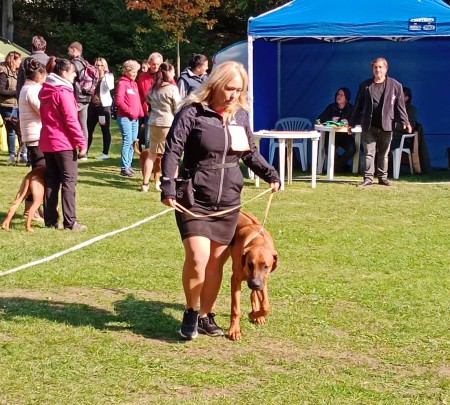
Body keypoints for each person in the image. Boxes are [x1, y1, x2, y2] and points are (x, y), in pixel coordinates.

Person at [160, 61, 281, 340]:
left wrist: (271, 174)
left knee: (215, 263)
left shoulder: (240, 117)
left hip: (228, 201)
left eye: (238, 90)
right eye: (228, 88)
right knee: (198, 256)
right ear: (215, 85)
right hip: (194, 197)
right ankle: (191, 311)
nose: (232, 95)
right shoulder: (193, 112)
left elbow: (249, 153)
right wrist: (167, 185)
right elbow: (172, 149)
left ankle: (205, 315)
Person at [39, 57, 88, 230]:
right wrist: (81, 142)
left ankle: (50, 220)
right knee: (69, 181)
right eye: (73, 72)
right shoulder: (63, 92)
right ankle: (70, 221)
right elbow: (71, 119)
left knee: (52, 180)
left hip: (48, 140)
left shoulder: (46, 89)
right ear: (64, 72)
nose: (75, 75)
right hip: (63, 142)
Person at [349, 57, 411, 187]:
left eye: (380, 67)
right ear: (372, 69)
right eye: (375, 67)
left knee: (384, 154)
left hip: (386, 125)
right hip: (368, 125)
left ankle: (383, 178)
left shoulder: (395, 85)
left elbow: (400, 106)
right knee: (368, 154)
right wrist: (352, 123)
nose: (378, 70)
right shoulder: (365, 85)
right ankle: (368, 179)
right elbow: (358, 105)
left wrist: (405, 121)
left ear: (386, 69)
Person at [141, 62, 180, 192]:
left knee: (151, 154)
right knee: (170, 154)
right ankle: (171, 183)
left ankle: (145, 184)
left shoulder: (153, 88)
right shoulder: (172, 89)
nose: (174, 74)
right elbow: (177, 108)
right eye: (173, 71)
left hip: (153, 122)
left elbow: (148, 102)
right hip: (167, 124)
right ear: (168, 73)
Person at [18, 58, 47, 221]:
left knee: (36, 174)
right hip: (37, 137)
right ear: (40, 75)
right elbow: (44, 110)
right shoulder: (33, 90)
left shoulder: (26, 88)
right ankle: (31, 211)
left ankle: (31, 209)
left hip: (32, 136)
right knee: (39, 176)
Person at [115, 59, 144, 177]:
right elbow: (118, 101)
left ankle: (129, 165)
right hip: (125, 117)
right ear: (126, 71)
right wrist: (130, 111)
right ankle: (124, 167)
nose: (135, 74)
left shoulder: (134, 84)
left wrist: (140, 112)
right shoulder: (122, 83)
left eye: (136, 72)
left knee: (133, 142)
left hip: (135, 118)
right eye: (132, 72)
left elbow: (137, 100)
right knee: (127, 141)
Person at [317, 87, 356, 172]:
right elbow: (319, 119)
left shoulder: (351, 108)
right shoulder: (331, 107)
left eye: (342, 95)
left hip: (344, 135)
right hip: (331, 135)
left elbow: (358, 120)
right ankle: (343, 167)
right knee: (329, 149)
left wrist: (349, 121)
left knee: (352, 148)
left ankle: (334, 167)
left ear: (346, 98)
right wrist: (331, 119)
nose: (339, 96)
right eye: (338, 94)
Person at [68, 41, 92, 158]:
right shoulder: (85, 62)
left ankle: (73, 149)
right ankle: (84, 152)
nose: (68, 51)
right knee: (83, 126)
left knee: (71, 122)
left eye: (69, 49)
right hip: (86, 96)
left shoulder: (74, 63)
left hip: (77, 97)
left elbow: (70, 80)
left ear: (74, 50)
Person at [87, 57, 114, 159]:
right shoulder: (92, 76)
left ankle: (105, 153)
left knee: (105, 129)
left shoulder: (109, 76)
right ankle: (85, 152)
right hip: (92, 106)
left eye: (101, 65)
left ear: (105, 66)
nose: (99, 67)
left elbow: (111, 87)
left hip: (103, 107)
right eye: (97, 65)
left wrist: (105, 75)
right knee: (88, 129)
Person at [136, 52, 163, 148]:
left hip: (162, 112)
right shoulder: (143, 77)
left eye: (158, 64)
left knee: (162, 138)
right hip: (148, 111)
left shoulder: (165, 75)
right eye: (153, 64)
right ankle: (148, 159)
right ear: (149, 64)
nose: (155, 66)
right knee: (148, 138)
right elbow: (139, 94)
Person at [0, 51, 22, 163]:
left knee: (21, 130)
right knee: (11, 131)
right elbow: (1, 90)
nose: (20, 62)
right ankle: (12, 155)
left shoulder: (19, 72)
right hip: (7, 105)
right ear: (13, 60)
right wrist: (16, 92)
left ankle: (23, 155)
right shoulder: (3, 72)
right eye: (19, 60)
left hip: (18, 105)